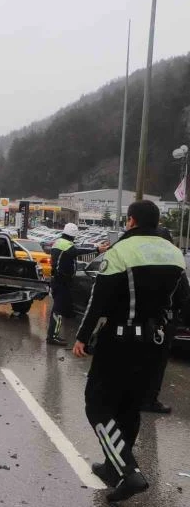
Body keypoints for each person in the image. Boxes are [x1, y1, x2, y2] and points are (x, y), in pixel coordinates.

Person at [72, 200, 190, 502]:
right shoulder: (175, 254)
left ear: (132, 221)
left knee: (97, 404)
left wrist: (82, 337)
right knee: (129, 408)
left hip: (119, 340)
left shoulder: (121, 252)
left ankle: (128, 472)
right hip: (154, 344)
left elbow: (98, 301)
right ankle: (113, 469)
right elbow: (182, 303)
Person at [45, 222, 104, 345]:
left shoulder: (59, 242)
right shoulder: (66, 245)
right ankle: (52, 336)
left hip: (58, 281)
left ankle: (53, 334)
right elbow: (78, 251)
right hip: (61, 282)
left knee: (62, 308)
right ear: (73, 235)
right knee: (58, 310)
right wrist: (96, 249)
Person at [140, 224, 178, 414]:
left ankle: (133, 397)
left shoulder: (139, 261)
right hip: (162, 323)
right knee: (156, 364)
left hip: (138, 322)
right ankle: (149, 401)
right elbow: (182, 296)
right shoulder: (174, 266)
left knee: (138, 360)